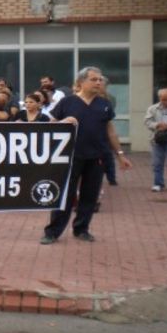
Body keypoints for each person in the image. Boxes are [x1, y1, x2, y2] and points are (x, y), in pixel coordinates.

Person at [41, 67, 133, 245]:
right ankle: (52, 232)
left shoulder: (104, 104)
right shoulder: (67, 103)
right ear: (81, 82)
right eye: (94, 79)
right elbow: (50, 126)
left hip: (96, 157)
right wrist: (62, 122)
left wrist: (120, 155)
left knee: (89, 196)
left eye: (100, 80)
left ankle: (81, 229)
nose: (99, 82)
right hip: (70, 157)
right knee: (64, 196)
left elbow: (111, 132)